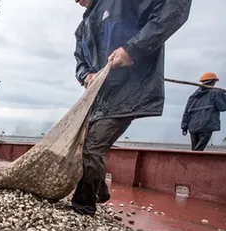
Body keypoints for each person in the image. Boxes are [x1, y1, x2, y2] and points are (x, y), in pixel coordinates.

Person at [70, 0, 192, 216]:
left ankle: (83, 208)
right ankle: (99, 191)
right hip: (98, 97)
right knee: (81, 146)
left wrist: (132, 49)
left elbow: (174, 8)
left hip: (129, 91)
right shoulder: (83, 27)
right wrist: (85, 75)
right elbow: (80, 61)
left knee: (92, 147)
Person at [180, 72, 226, 151]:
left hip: (193, 127)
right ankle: (192, 162)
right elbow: (225, 106)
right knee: (198, 150)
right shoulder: (216, 93)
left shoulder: (193, 96)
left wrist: (184, 127)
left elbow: (186, 113)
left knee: (195, 150)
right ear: (213, 82)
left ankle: (191, 161)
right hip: (206, 126)